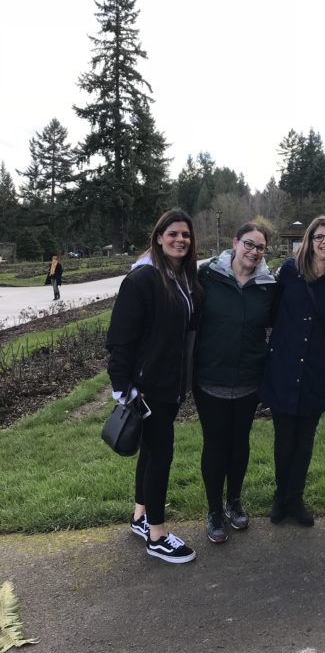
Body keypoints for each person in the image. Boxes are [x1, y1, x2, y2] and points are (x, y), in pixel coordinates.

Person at [106, 209, 202, 564]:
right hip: (148, 390)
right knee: (161, 455)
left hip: (169, 384)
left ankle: (140, 516)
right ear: (159, 238)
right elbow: (120, 339)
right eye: (173, 234)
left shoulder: (180, 278)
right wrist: (123, 389)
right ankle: (158, 536)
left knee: (150, 452)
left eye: (186, 235)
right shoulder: (142, 280)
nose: (180, 240)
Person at [259, 215, 325, 526]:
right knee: (284, 439)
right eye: (319, 236)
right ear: (309, 240)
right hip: (284, 365)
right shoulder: (289, 271)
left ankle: (295, 497)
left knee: (305, 439)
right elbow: (269, 311)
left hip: (315, 370)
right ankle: (280, 496)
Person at [193, 222, 277, 544]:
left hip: (248, 380)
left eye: (260, 247)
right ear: (235, 243)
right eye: (249, 244)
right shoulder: (208, 276)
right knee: (216, 445)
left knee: (240, 443)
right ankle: (214, 510)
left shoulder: (268, 286)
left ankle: (234, 501)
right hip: (210, 379)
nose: (254, 252)